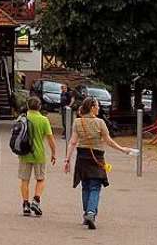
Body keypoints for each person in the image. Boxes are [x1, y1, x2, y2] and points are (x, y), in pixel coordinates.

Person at [64, 96, 137, 229]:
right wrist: (123, 150)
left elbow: (73, 142)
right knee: (95, 186)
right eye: (97, 106)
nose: (99, 108)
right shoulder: (100, 123)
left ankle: (87, 213)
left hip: (82, 157)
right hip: (97, 157)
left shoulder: (77, 122)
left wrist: (67, 159)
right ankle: (91, 213)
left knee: (85, 186)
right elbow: (108, 141)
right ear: (92, 108)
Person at [18, 96, 57, 217]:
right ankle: (36, 200)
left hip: (24, 153)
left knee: (25, 180)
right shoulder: (43, 120)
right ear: (39, 106)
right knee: (40, 179)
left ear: (28, 106)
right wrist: (53, 153)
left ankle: (25, 204)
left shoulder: (22, 118)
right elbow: (50, 139)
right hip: (39, 154)